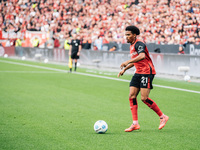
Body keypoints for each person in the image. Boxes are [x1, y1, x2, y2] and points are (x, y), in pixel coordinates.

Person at [118, 26, 169, 132]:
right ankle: (135, 123)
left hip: (146, 72)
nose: (126, 37)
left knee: (144, 98)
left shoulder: (139, 43)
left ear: (134, 35)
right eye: (125, 34)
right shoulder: (132, 45)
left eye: (128, 35)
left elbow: (142, 56)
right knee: (131, 95)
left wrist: (127, 61)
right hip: (138, 72)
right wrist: (125, 69)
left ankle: (162, 116)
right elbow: (135, 61)